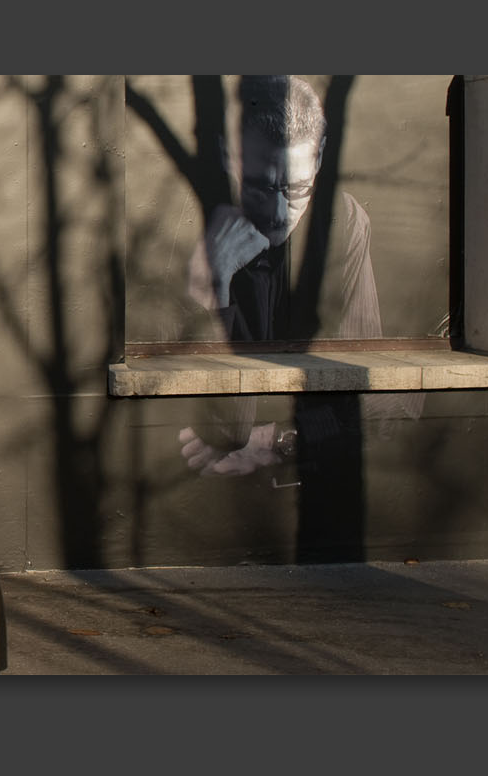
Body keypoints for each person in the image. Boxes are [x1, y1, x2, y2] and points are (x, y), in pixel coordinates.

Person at [177, 75, 415, 478]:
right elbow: (212, 426)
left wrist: (276, 441)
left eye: (298, 188)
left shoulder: (344, 222)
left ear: (319, 157)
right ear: (228, 156)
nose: (277, 213)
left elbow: (385, 406)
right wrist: (209, 283)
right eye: (257, 187)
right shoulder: (185, 224)